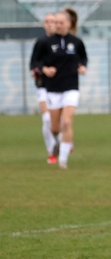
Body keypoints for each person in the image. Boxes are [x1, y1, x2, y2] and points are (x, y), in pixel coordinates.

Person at [32, 9, 88, 169]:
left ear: (68, 24)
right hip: (52, 88)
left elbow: (83, 58)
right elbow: (36, 61)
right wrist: (44, 70)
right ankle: (58, 144)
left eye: (60, 23)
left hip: (71, 87)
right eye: (55, 22)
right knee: (54, 127)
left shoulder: (76, 42)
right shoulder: (45, 42)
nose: (57, 25)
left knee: (67, 123)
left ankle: (62, 160)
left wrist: (83, 67)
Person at [29, 13, 59, 163]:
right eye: (47, 21)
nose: (50, 24)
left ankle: (65, 140)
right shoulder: (40, 42)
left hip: (61, 87)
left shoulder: (63, 42)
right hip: (44, 87)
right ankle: (52, 151)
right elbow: (34, 64)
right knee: (47, 118)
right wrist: (42, 70)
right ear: (44, 24)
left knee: (60, 121)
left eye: (52, 21)